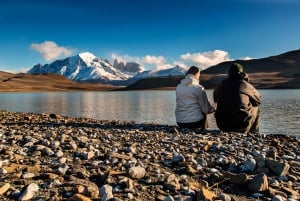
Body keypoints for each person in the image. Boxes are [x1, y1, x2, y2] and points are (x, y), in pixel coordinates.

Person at [213, 62, 262, 133]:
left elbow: (215, 99)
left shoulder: (221, 85)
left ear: (229, 73)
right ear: (242, 73)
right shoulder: (245, 85)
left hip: (222, 125)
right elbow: (258, 100)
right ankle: (254, 133)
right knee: (256, 106)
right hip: (242, 126)